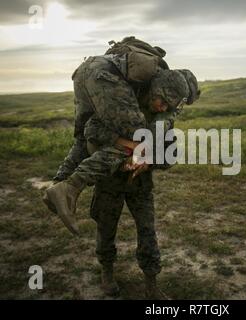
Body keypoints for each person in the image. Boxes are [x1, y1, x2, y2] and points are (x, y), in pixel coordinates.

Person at [43, 37, 200, 298]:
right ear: (153, 89)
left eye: (169, 106)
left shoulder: (162, 122)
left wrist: (148, 158)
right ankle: (107, 273)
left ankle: (152, 284)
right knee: (106, 230)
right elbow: (91, 129)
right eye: (161, 100)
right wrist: (131, 145)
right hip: (109, 182)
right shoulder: (119, 104)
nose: (162, 107)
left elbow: (170, 156)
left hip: (140, 185)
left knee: (148, 232)